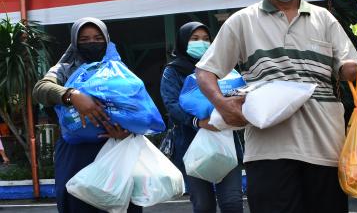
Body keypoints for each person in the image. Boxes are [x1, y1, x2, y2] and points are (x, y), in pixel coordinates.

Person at [195, 0, 357, 213]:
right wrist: (222, 104)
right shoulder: (242, 21)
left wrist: (350, 68)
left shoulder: (325, 19)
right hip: (268, 151)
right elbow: (205, 71)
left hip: (326, 148)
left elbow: (348, 68)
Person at [33, 17, 142, 213]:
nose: (91, 43)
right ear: (75, 42)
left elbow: (138, 107)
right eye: (84, 40)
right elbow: (41, 88)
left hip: (116, 149)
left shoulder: (119, 71)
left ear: (107, 40)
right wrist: (71, 95)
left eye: (97, 38)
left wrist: (128, 131)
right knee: (77, 203)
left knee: (122, 203)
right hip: (76, 155)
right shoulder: (64, 69)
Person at [160, 21, 244, 213]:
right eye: (195, 39)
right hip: (191, 145)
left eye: (206, 39)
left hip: (226, 142)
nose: (202, 43)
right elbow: (171, 104)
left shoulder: (222, 68)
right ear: (182, 42)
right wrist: (198, 122)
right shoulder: (173, 71)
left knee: (232, 202)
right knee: (204, 205)